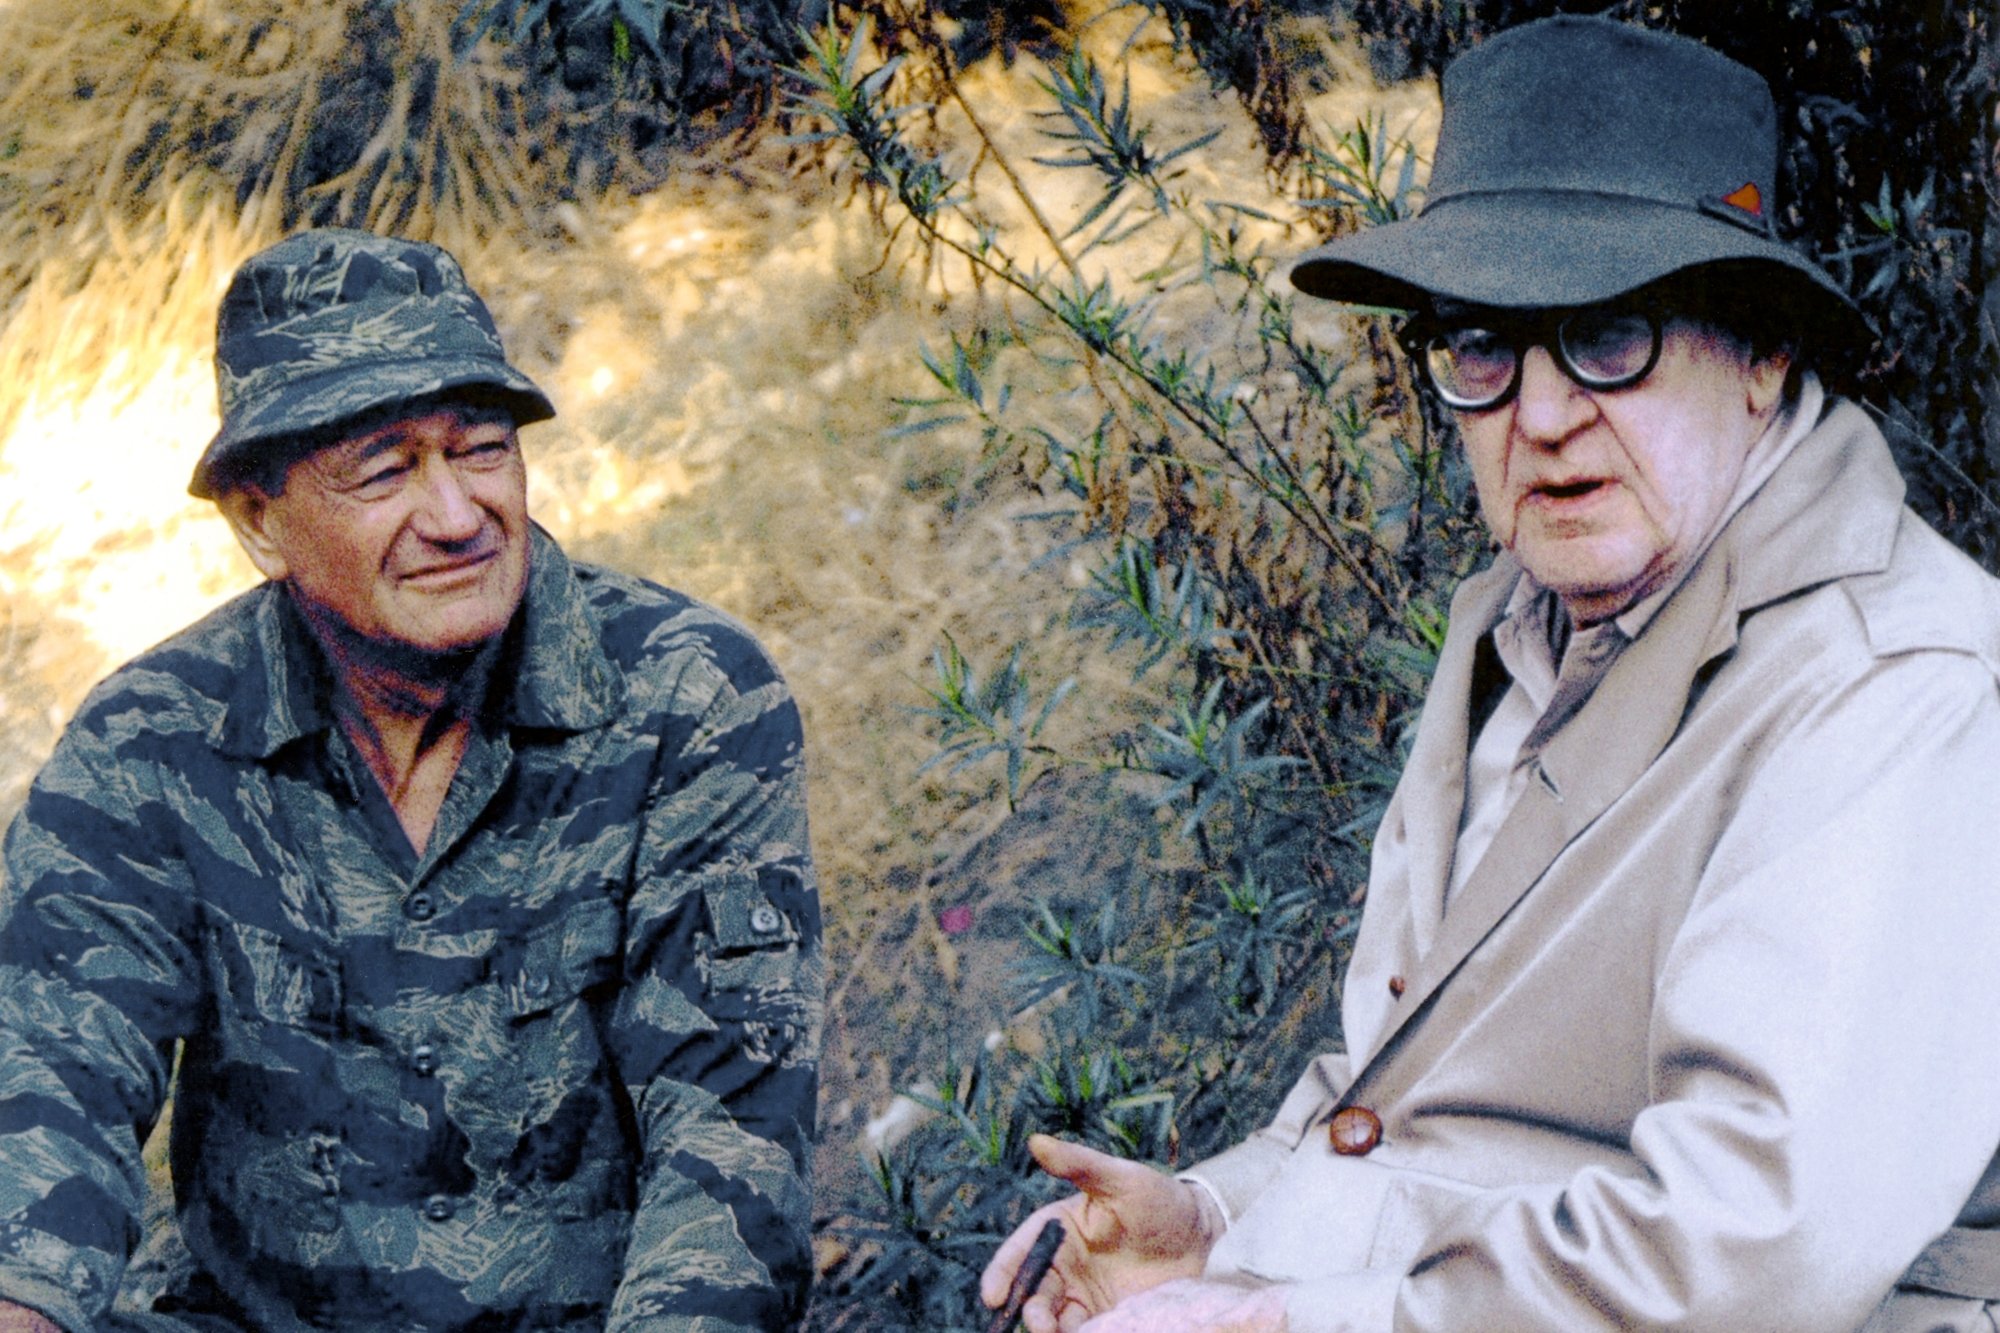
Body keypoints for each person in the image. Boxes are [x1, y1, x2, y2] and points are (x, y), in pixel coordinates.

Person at [982, 16, 2000, 1332]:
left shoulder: (1897, 685)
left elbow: (1759, 1244)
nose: (1544, 415)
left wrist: (1300, 1323)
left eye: (1611, 333)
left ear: (1762, 356)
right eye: (1481, 346)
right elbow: (1412, 1087)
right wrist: (1222, 1220)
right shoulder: (1526, 623)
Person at [0, 229, 822, 1331]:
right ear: (259, 519)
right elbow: (48, 1082)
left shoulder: (687, 696)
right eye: (383, 470)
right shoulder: (154, 737)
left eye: (481, 450)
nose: (453, 515)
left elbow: (728, 1145)